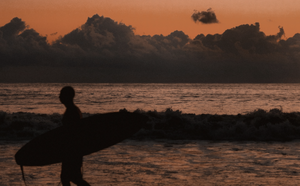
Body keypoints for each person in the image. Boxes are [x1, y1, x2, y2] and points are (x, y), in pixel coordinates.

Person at [59, 86, 90, 186]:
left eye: (61, 94)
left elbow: (73, 133)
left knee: (71, 177)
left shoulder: (72, 112)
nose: (59, 97)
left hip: (72, 150)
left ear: (67, 96)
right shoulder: (73, 110)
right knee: (71, 177)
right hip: (73, 150)